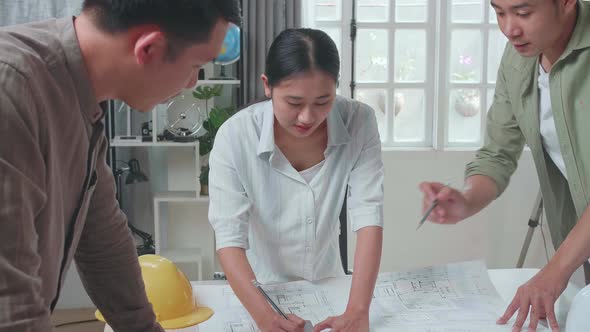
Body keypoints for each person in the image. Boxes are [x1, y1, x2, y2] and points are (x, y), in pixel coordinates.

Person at [0, 0, 240, 331]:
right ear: (150, 48)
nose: (192, 84)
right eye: (196, 66)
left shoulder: (78, 97)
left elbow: (104, 240)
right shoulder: (12, 88)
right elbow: (11, 308)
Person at [419, 0, 590, 331]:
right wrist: (466, 200)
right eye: (499, 12)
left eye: (524, 13)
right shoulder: (519, 60)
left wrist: (554, 272)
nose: (510, 29)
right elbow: (497, 153)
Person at [208, 28, 384, 332]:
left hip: (329, 284)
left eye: (322, 101)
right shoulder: (235, 136)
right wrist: (265, 318)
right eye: (293, 102)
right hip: (259, 290)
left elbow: (369, 214)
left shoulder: (358, 121)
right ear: (267, 86)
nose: (307, 117)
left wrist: (358, 309)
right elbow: (229, 237)